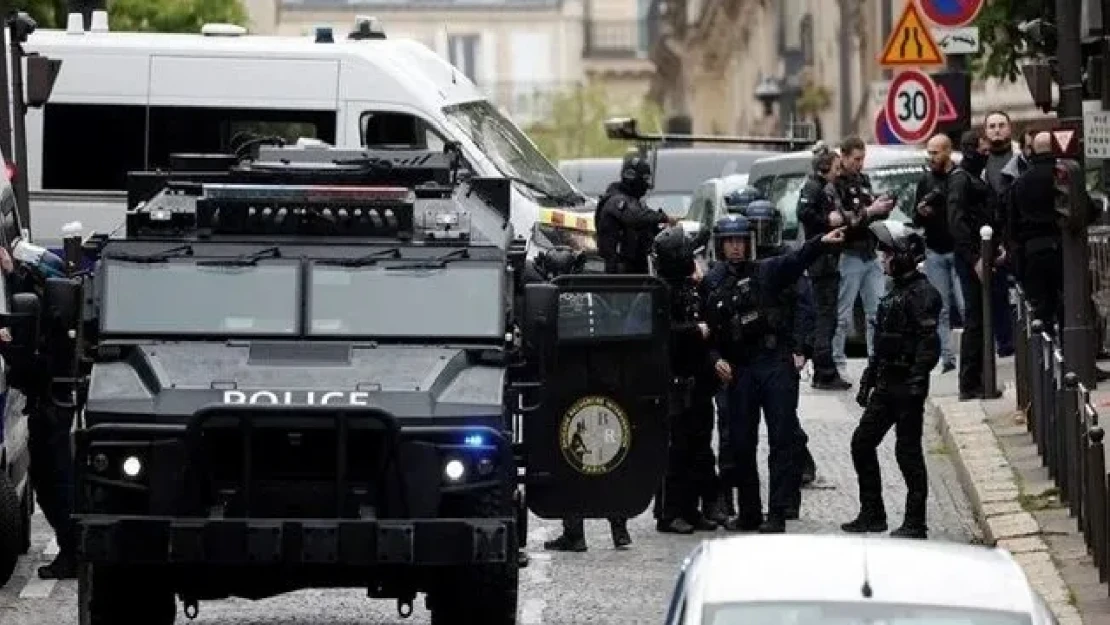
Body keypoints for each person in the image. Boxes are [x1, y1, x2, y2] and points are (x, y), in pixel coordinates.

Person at [703, 214, 845, 533]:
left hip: (773, 362)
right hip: (739, 368)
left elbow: (797, 260)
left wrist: (820, 243)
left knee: (782, 438)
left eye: (740, 241)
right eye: (730, 242)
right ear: (721, 246)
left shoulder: (767, 270)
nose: (736, 248)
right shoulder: (712, 280)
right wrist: (714, 359)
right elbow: (707, 329)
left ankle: (778, 511)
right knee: (740, 442)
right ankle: (749, 511)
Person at [527, 247, 631, 552]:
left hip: (564, 391)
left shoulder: (547, 304)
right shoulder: (596, 298)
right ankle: (619, 528)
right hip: (601, 388)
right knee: (609, 458)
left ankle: (575, 532)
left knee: (568, 460)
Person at [842, 220, 941, 540]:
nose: (882, 259)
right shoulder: (893, 291)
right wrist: (868, 380)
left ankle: (915, 522)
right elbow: (881, 344)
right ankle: (873, 513)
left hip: (907, 385)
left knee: (907, 452)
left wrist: (916, 382)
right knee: (862, 443)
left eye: (887, 253)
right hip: (887, 382)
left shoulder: (924, 294)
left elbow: (929, 345)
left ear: (903, 256)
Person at [651, 225, 720, 534]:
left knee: (699, 446)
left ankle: (692, 509)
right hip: (674, 380)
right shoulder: (660, 292)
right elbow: (662, 334)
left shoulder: (688, 287)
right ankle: (669, 512)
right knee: (676, 450)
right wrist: (695, 331)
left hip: (697, 379)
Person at [832, 136, 895, 370]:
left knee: (877, 311)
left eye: (862, 159)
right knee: (843, 313)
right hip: (849, 253)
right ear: (844, 157)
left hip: (870, 251)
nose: (860, 164)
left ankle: (876, 360)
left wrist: (883, 207)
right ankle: (837, 361)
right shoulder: (836, 184)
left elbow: (870, 213)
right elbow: (847, 219)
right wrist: (870, 210)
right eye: (856, 159)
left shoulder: (864, 180)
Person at [796, 146, 853, 390]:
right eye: (836, 168)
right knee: (824, 316)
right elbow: (804, 213)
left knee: (828, 315)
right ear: (824, 168)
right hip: (821, 260)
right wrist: (827, 221)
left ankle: (824, 368)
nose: (839, 172)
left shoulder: (825, 188)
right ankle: (824, 370)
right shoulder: (813, 187)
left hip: (828, 258)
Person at [913, 134, 963, 374]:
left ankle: (977, 357)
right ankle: (947, 359)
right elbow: (916, 218)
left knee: (965, 306)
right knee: (940, 308)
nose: (931, 157)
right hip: (935, 250)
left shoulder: (959, 177)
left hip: (960, 250)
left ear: (948, 151)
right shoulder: (925, 180)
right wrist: (922, 212)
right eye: (929, 153)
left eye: (935, 153)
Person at [1009, 131, 1062, 334]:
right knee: (1067, 302)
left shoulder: (1020, 183)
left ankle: (1045, 360)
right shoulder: (1064, 175)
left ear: (1032, 151)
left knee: (1041, 309)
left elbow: (1012, 222)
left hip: (1032, 252)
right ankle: (1071, 357)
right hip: (1062, 247)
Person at [594, 151, 673, 274]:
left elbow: (645, 230)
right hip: (620, 274)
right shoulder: (616, 200)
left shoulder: (633, 201)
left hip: (635, 270)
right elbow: (635, 217)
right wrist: (664, 218)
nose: (646, 184)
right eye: (645, 179)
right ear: (633, 177)